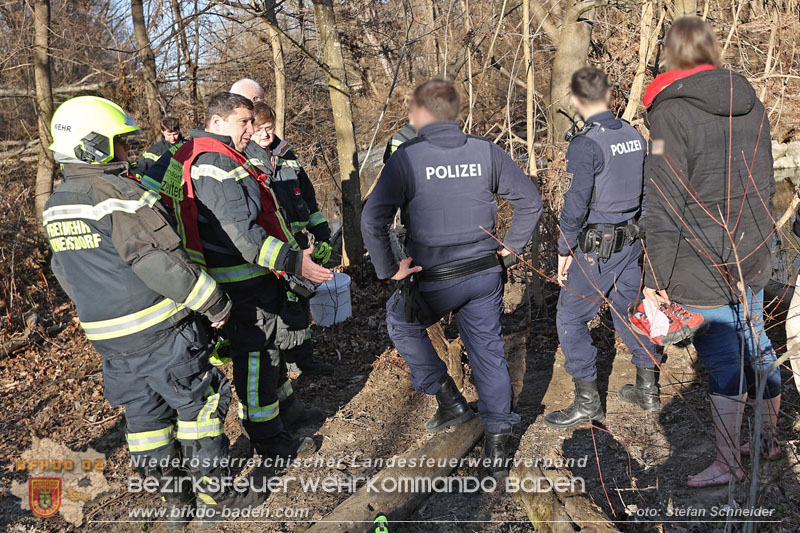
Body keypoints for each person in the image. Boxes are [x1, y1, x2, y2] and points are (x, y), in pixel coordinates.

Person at [43, 96, 264, 525]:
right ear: (94, 146)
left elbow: (64, 272)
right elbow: (158, 261)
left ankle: (176, 506)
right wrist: (213, 301)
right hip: (161, 330)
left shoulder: (57, 204)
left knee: (145, 418)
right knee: (200, 404)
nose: (127, 152)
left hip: (109, 340)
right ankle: (217, 498)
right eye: (119, 144)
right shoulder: (118, 194)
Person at [362, 79, 543, 478]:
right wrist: (511, 248)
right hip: (484, 274)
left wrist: (388, 269)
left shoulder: (407, 158)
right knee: (489, 351)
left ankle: (448, 398)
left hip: (434, 278)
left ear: (422, 115)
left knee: (401, 322)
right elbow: (530, 201)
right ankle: (498, 444)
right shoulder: (486, 151)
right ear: (454, 113)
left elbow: (371, 217)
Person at [156, 92, 333, 461]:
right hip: (241, 280)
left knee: (269, 350)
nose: (251, 131)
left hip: (240, 275)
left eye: (252, 122)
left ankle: (287, 410)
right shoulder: (216, 162)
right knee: (256, 358)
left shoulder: (200, 152)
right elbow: (242, 234)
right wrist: (293, 261)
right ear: (217, 122)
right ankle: (267, 437)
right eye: (244, 122)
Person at [643, 17, 780, 487]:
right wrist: (762, 243)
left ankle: (729, 463)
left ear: (670, 54)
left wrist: (653, 276)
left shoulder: (668, 114)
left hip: (702, 261)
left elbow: (662, 203)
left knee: (724, 358)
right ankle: (767, 438)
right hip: (753, 251)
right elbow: (765, 181)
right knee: (757, 344)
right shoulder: (752, 103)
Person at [543, 67, 661, 430]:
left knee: (570, 316)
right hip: (631, 241)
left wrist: (564, 248)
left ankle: (588, 402)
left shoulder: (585, 143)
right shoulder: (634, 135)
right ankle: (648, 389)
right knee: (627, 309)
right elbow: (646, 192)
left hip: (598, 248)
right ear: (610, 96)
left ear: (577, 101)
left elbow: (576, 203)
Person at [242, 101, 334, 377]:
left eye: (269, 128)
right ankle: (283, 362)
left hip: (300, 242)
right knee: (281, 306)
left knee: (301, 300)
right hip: (272, 247)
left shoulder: (286, 154)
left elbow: (308, 197)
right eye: (260, 130)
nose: (266, 135)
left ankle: (303, 359)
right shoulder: (245, 159)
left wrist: (322, 233)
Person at [135, 115, 185, 182]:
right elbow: (139, 168)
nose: (173, 138)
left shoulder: (188, 147)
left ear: (179, 131)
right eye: (169, 135)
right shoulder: (154, 151)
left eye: (175, 134)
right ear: (162, 132)